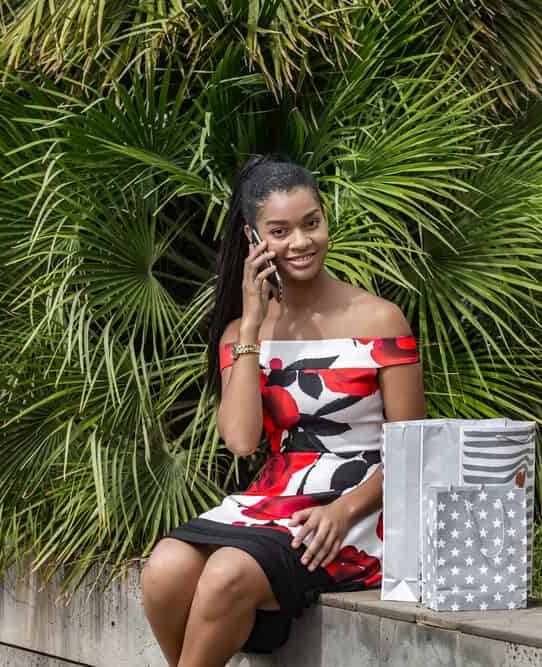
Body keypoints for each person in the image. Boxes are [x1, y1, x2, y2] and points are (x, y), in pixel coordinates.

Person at [141, 154, 426, 667]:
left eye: (311, 223)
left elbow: (414, 450)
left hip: (359, 511)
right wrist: (251, 328)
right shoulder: (241, 334)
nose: (300, 242)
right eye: (280, 230)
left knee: (227, 572)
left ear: (324, 219)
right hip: (273, 504)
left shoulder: (380, 319)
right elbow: (243, 441)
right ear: (254, 239)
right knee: (163, 569)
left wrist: (343, 511)